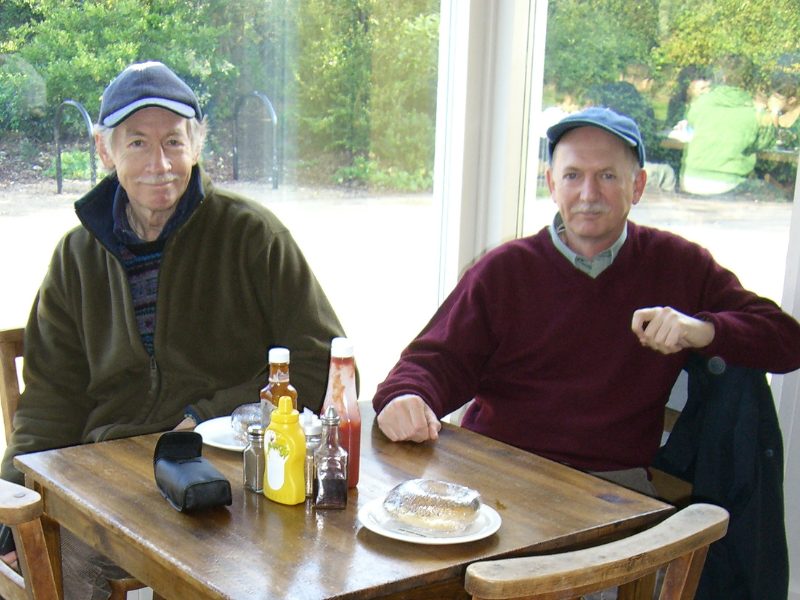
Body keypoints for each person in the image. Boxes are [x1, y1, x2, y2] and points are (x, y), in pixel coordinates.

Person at [0, 60, 347, 597]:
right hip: (110, 471)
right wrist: (10, 498)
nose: (159, 163)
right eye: (137, 143)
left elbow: (322, 359)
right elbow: (51, 400)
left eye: (174, 142)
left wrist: (204, 418)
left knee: (273, 571)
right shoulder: (76, 257)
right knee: (57, 559)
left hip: (223, 470)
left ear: (197, 146)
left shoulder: (251, 235)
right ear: (104, 151)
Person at [372, 106, 800, 496]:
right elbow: (434, 362)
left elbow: (786, 340)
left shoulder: (679, 265)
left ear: (639, 186)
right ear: (552, 184)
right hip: (497, 476)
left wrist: (702, 330)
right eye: (573, 175)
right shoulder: (505, 271)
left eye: (608, 176)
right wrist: (405, 397)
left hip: (611, 487)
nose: (588, 193)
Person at [679, 55, 779, 198]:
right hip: (728, 184)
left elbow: (692, 124)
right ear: (751, 82)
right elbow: (764, 144)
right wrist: (773, 112)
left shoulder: (700, 102)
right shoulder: (754, 112)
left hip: (690, 179)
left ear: (722, 77)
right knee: (775, 195)